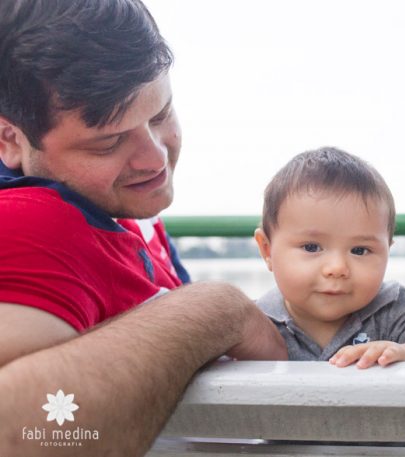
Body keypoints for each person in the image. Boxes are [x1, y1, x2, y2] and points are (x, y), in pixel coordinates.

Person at [0, 1, 286, 455]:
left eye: (160, 115)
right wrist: (216, 310)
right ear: (9, 139)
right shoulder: (26, 221)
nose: (155, 160)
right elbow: (19, 436)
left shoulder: (125, 209)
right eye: (108, 142)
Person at [253, 147, 405, 367]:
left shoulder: (391, 310)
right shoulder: (254, 322)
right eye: (311, 247)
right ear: (267, 250)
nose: (337, 268)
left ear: (388, 250)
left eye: (359, 250)